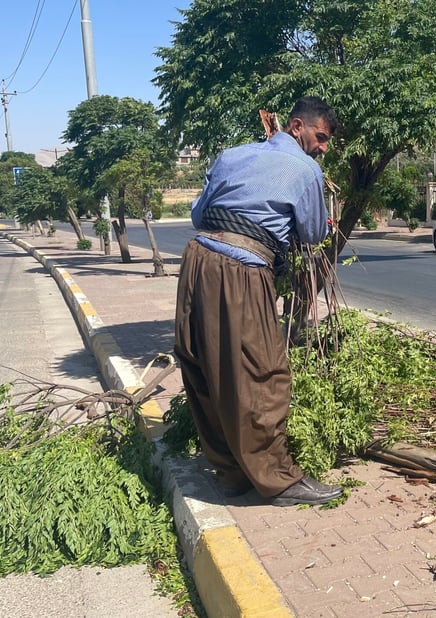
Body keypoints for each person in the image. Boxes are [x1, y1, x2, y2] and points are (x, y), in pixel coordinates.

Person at [174, 96, 344, 506]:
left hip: (197, 261)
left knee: (206, 367)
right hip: (242, 271)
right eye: (320, 137)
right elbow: (309, 233)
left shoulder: (231, 156)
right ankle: (279, 480)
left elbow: (200, 215)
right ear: (296, 126)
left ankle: (232, 473)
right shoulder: (306, 170)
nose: (322, 147)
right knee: (263, 372)